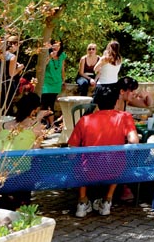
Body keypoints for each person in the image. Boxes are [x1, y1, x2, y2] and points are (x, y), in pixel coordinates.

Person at [67, 85, 139, 218]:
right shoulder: (125, 117)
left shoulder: (85, 120)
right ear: (116, 101)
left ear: (97, 102)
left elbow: (72, 152)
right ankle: (107, 200)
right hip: (114, 169)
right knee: (119, 160)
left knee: (79, 161)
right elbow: (134, 141)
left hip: (88, 169)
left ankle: (82, 201)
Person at [40, 38, 67, 112]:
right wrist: (50, 57)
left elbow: (62, 69)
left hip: (57, 82)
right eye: (55, 45)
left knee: (51, 104)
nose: (56, 47)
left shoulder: (62, 55)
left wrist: (63, 80)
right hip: (47, 82)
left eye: (58, 46)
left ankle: (50, 119)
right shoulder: (46, 54)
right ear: (51, 45)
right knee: (44, 104)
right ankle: (42, 119)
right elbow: (42, 66)